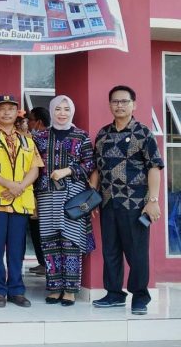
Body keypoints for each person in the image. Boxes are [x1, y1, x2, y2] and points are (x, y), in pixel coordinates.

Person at [90, 85, 163, 315]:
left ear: (134, 104)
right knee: (110, 250)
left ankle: (140, 296)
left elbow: (154, 167)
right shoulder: (103, 134)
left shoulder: (143, 133)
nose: (119, 105)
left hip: (135, 203)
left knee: (136, 252)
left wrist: (153, 200)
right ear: (110, 104)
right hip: (108, 202)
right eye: (115, 101)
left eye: (124, 101)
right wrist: (92, 195)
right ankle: (114, 294)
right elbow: (97, 169)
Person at [0, 95, 43, 308]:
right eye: (1, 109)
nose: (6, 113)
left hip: (20, 201)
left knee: (17, 249)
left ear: (17, 113)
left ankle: (16, 290)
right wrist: (10, 184)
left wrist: (19, 187)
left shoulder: (27, 140)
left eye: (10, 109)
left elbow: (35, 168)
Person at [32, 96, 95, 306]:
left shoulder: (81, 136)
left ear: (72, 111)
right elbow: (32, 166)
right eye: (57, 109)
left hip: (73, 195)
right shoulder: (39, 136)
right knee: (49, 240)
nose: (62, 113)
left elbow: (90, 164)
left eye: (66, 109)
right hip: (46, 194)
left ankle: (70, 289)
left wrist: (68, 170)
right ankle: (55, 287)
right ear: (51, 111)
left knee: (70, 240)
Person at [26, 106, 50, 277]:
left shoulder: (35, 139)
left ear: (38, 122)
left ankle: (44, 263)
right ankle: (45, 263)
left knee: (37, 228)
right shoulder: (53, 136)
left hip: (37, 190)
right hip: (44, 191)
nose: (29, 123)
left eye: (31, 120)